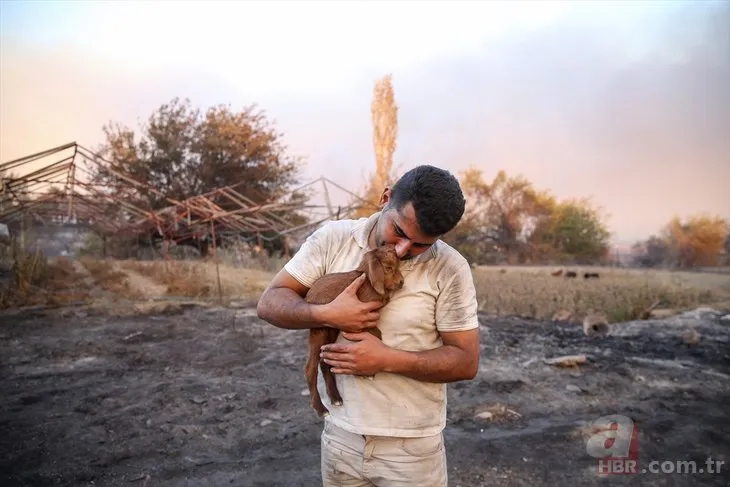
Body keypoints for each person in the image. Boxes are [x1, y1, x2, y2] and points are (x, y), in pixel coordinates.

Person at [256, 164, 480, 487]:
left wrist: (386, 359)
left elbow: (466, 360)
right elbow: (269, 302)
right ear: (385, 198)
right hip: (341, 439)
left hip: (411, 452)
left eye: (421, 244)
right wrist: (327, 314)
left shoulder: (450, 268)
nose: (403, 250)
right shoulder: (333, 239)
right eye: (400, 232)